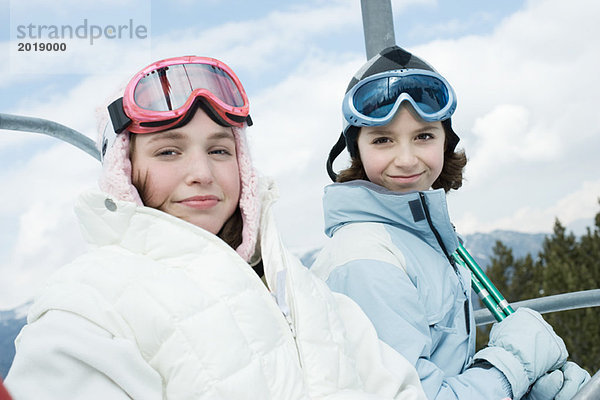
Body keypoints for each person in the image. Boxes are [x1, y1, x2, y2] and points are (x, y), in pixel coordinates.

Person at [4, 56, 427, 400]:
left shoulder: (299, 288)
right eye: (169, 151)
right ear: (124, 170)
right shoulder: (88, 309)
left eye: (220, 150)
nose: (202, 173)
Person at [310, 46, 591, 400]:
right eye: (383, 139)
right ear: (357, 150)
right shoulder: (366, 260)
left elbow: (446, 367)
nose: (407, 159)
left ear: (445, 141)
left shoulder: (421, 237)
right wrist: (515, 364)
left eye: (423, 136)